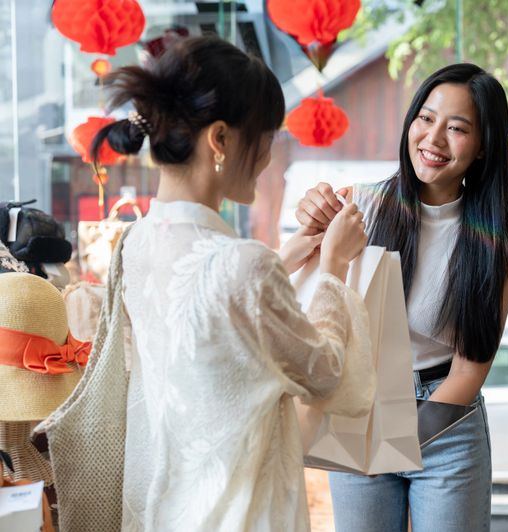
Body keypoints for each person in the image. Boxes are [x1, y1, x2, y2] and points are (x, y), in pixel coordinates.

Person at [91, 36, 368, 531]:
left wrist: (287, 256)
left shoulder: (137, 244)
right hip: (241, 510)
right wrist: (334, 265)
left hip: (168, 508)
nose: (265, 158)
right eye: (265, 138)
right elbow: (324, 372)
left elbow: (211, 317)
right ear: (220, 139)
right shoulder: (245, 264)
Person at [296, 63, 508, 532]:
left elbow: (471, 368)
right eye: (426, 118)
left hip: (448, 421)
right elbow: (308, 290)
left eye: (457, 128)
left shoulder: (497, 235)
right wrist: (311, 214)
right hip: (362, 409)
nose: (434, 139)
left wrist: (397, 437)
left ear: (482, 148)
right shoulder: (362, 205)